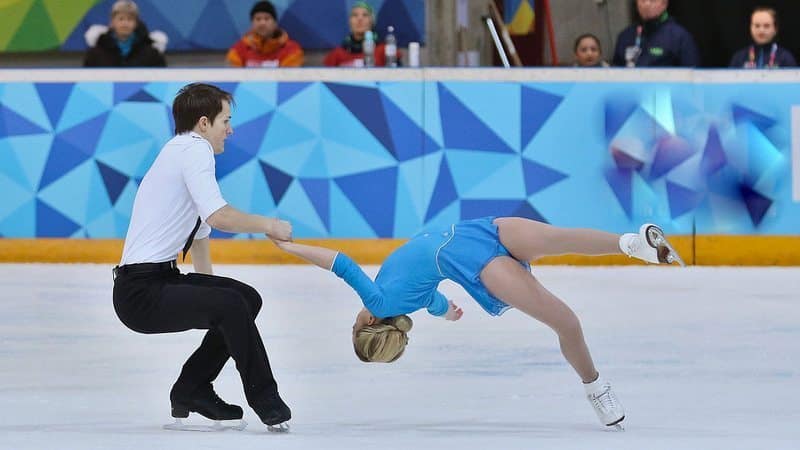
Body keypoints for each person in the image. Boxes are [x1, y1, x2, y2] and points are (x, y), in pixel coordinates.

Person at [270, 217, 684, 429]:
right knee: (566, 322)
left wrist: (448, 312)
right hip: (480, 261)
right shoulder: (377, 301)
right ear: (366, 324)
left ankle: (634, 245)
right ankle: (595, 388)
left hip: (478, 231)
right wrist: (291, 248)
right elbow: (340, 263)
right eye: (354, 327)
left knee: (555, 239)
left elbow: (434, 301)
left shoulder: (405, 300)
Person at [112, 83, 293, 431]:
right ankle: (266, 401)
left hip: (157, 281)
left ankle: (191, 388)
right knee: (231, 304)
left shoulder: (180, 151)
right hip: (140, 293)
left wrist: (210, 293)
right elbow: (219, 216)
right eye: (226, 120)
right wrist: (269, 225)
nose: (230, 129)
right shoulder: (193, 150)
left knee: (243, 299)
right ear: (204, 123)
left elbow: (200, 234)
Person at [612, 0, 699, 67]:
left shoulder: (679, 37)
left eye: (653, 0)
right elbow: (616, 74)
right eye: (642, 0)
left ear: (664, 3)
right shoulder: (625, 36)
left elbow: (693, 76)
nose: (647, 4)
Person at [83, 0, 167, 67]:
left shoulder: (151, 52)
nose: (125, 23)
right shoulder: (96, 52)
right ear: (112, 22)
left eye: (130, 19)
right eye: (121, 19)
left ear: (136, 23)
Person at [226, 1, 304, 68]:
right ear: (252, 23)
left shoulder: (291, 50)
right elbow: (233, 78)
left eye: (267, 18)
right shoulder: (238, 50)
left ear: (275, 23)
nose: (262, 23)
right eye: (258, 19)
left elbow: (288, 79)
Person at [323, 2, 401, 67]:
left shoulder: (385, 50)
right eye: (355, 15)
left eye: (365, 15)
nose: (360, 19)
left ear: (372, 21)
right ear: (349, 22)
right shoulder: (336, 54)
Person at [729, 7, 796, 69]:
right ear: (750, 28)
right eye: (757, 26)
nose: (761, 31)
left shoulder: (785, 58)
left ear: (775, 29)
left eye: (766, 26)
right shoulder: (739, 58)